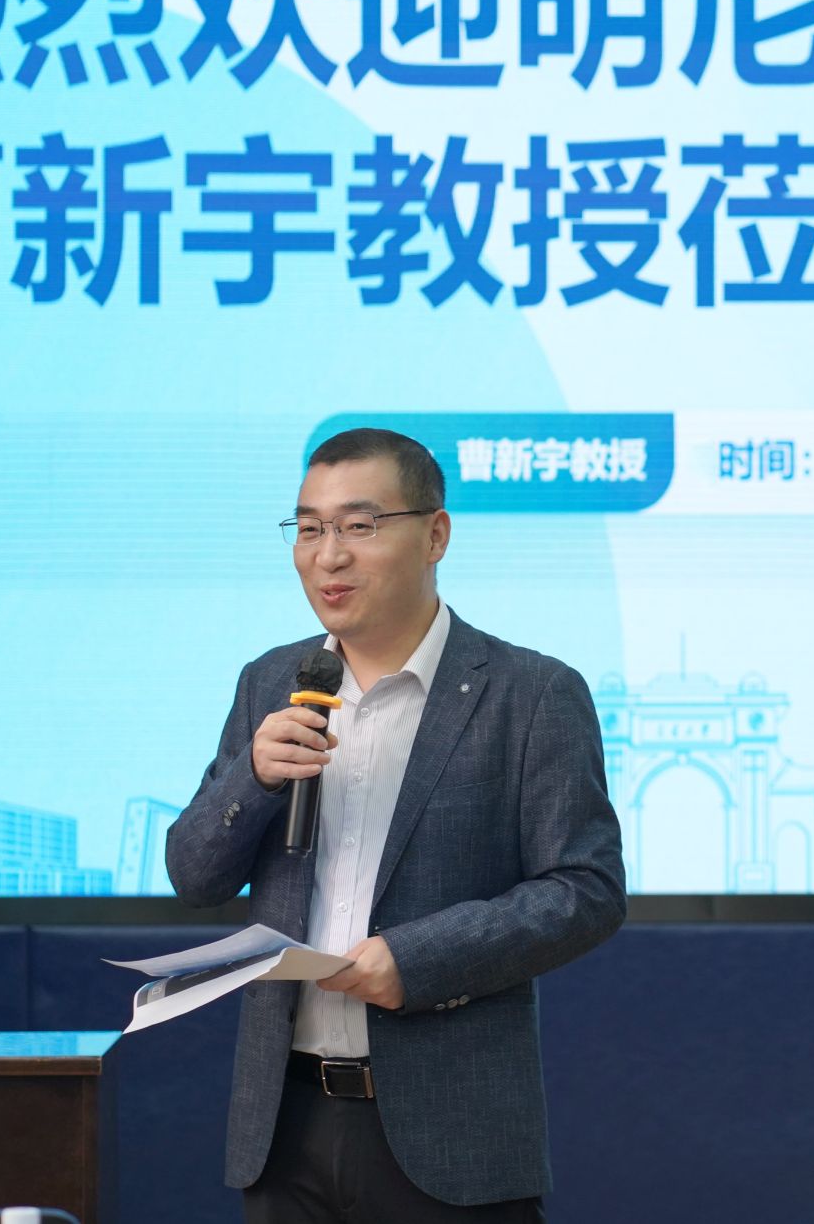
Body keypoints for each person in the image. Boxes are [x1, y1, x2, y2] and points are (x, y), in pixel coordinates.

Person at [167, 427, 627, 1222]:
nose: (329, 555)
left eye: (359, 525)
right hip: (285, 1126)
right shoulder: (271, 682)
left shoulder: (529, 693)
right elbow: (194, 874)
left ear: (436, 534)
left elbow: (585, 891)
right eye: (309, 528)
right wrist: (256, 774)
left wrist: (417, 960)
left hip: (451, 1134)